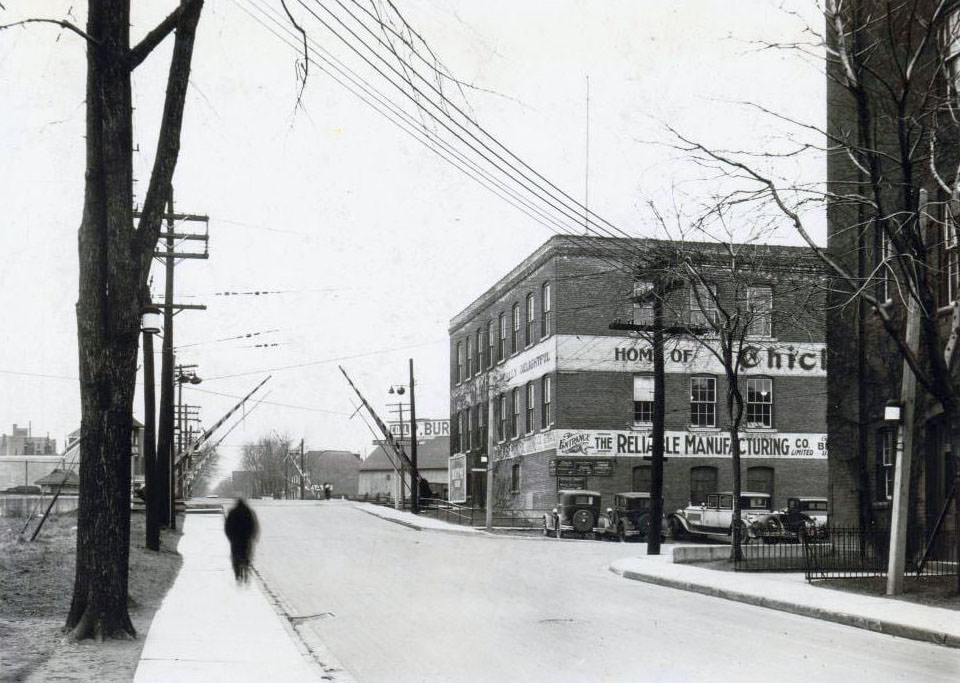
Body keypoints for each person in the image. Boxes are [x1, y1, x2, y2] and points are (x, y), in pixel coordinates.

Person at [224, 498, 259, 583]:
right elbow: (254, 525)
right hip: (246, 538)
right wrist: (253, 536)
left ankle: (237, 574)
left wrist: (230, 537)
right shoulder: (249, 512)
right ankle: (246, 571)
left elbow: (227, 526)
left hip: (235, 539)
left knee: (235, 556)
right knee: (246, 555)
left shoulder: (232, 512)